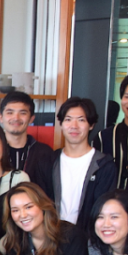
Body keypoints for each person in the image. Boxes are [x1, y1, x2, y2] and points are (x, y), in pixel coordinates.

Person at [50, 97, 117, 226]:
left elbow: (103, 208)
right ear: (61, 124)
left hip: (88, 240)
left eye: (81, 120)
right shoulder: (49, 162)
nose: (74, 126)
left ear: (91, 125)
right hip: (52, 237)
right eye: (68, 120)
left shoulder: (104, 165)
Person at [0, 91, 54, 194]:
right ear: (1, 118)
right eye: (10, 112)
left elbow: (50, 193)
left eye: (22, 113)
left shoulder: (45, 153)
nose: (16, 118)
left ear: (31, 118)